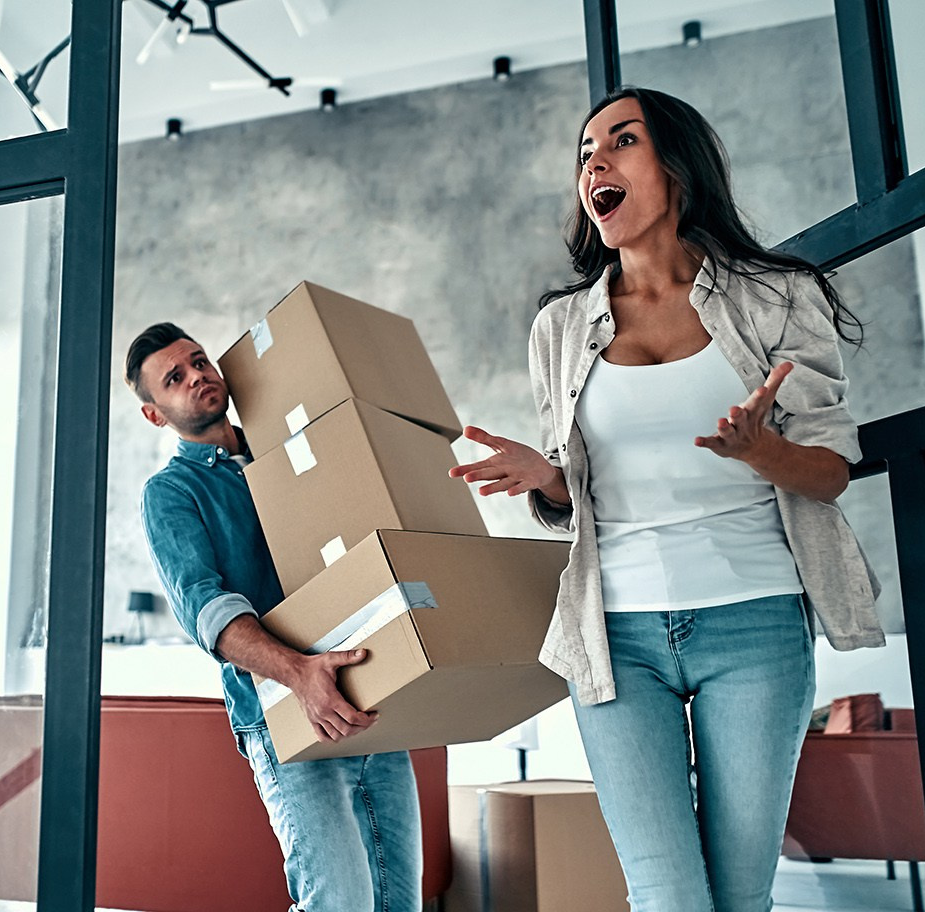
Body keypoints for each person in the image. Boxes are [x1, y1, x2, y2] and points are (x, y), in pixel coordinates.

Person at [450, 88, 884, 912]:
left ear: (677, 166)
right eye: (585, 152)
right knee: (666, 894)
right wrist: (548, 480)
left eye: (622, 140)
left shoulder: (777, 295)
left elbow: (831, 471)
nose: (595, 162)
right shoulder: (560, 328)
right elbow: (575, 494)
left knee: (739, 893)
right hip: (615, 637)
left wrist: (767, 452)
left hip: (755, 623)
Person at [128, 322, 423, 912]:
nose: (198, 378)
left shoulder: (297, 450)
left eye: (199, 361)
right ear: (155, 414)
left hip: (369, 692)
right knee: (338, 901)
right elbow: (207, 612)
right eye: (175, 379)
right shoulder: (171, 494)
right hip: (283, 715)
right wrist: (298, 675)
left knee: (397, 903)